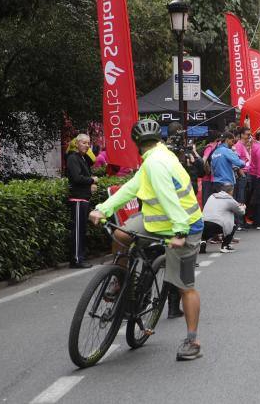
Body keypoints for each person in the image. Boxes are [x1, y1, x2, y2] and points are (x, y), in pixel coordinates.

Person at [90, 119, 204, 361]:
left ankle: (193, 340)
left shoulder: (156, 163)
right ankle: (120, 281)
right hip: (158, 221)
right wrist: (104, 208)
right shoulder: (155, 158)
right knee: (121, 234)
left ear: (136, 144)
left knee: (185, 286)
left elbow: (168, 196)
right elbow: (131, 187)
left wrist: (180, 232)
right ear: (158, 140)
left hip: (185, 224)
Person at [66, 134, 98, 269]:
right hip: (78, 199)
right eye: (84, 143)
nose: (87, 146)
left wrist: (90, 184)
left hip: (84, 198)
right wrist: (92, 180)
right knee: (78, 231)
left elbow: (82, 177)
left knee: (82, 230)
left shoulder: (82, 158)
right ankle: (77, 259)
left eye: (88, 143)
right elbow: (77, 178)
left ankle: (80, 257)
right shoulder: (73, 158)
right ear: (77, 143)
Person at [202, 183, 244, 253]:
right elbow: (241, 212)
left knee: (207, 231)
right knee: (234, 222)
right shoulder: (229, 199)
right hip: (218, 225)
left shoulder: (212, 196)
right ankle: (225, 246)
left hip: (204, 223)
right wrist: (243, 207)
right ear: (231, 191)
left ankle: (202, 241)